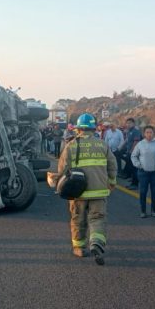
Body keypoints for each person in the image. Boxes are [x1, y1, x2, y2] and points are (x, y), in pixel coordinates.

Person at [57, 113, 117, 265]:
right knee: (97, 218)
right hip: (99, 191)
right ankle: (96, 242)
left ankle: (79, 248)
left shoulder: (71, 145)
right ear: (93, 128)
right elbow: (112, 166)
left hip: (78, 192)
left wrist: (60, 184)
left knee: (78, 219)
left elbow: (63, 168)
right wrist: (111, 182)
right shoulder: (102, 144)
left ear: (78, 129)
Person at [131, 125, 155, 218]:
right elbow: (133, 156)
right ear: (144, 134)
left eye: (151, 132)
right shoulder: (140, 144)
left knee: (154, 191)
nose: (149, 134)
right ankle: (143, 211)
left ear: (154, 133)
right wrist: (138, 165)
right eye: (147, 132)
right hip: (143, 172)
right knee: (143, 191)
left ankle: (154, 210)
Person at [122, 118, 142, 189]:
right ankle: (133, 179)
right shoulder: (129, 131)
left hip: (134, 153)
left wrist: (131, 152)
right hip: (129, 152)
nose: (128, 124)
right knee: (131, 167)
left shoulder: (135, 131)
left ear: (133, 123)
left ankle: (135, 184)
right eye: (127, 123)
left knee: (134, 168)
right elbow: (127, 141)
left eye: (130, 123)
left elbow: (136, 142)